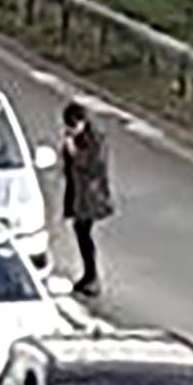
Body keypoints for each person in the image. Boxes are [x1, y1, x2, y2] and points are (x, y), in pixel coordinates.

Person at [57, 100, 114, 297]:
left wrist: (73, 150)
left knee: (84, 232)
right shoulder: (76, 136)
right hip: (78, 191)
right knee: (80, 232)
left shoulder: (94, 137)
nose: (71, 131)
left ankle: (92, 277)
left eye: (73, 126)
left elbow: (93, 164)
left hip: (90, 194)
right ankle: (88, 275)